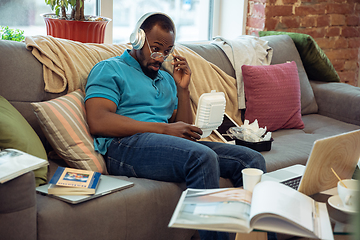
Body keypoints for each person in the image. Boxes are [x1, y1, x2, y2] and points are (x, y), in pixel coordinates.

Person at [85, 12, 267, 240]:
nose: (160, 57)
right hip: (124, 146)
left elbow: (184, 130)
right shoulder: (109, 69)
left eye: (167, 51)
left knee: (252, 161)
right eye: (156, 48)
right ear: (138, 39)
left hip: (161, 142)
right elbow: (99, 121)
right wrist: (164, 129)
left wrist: (183, 89)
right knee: (202, 157)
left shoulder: (166, 79)